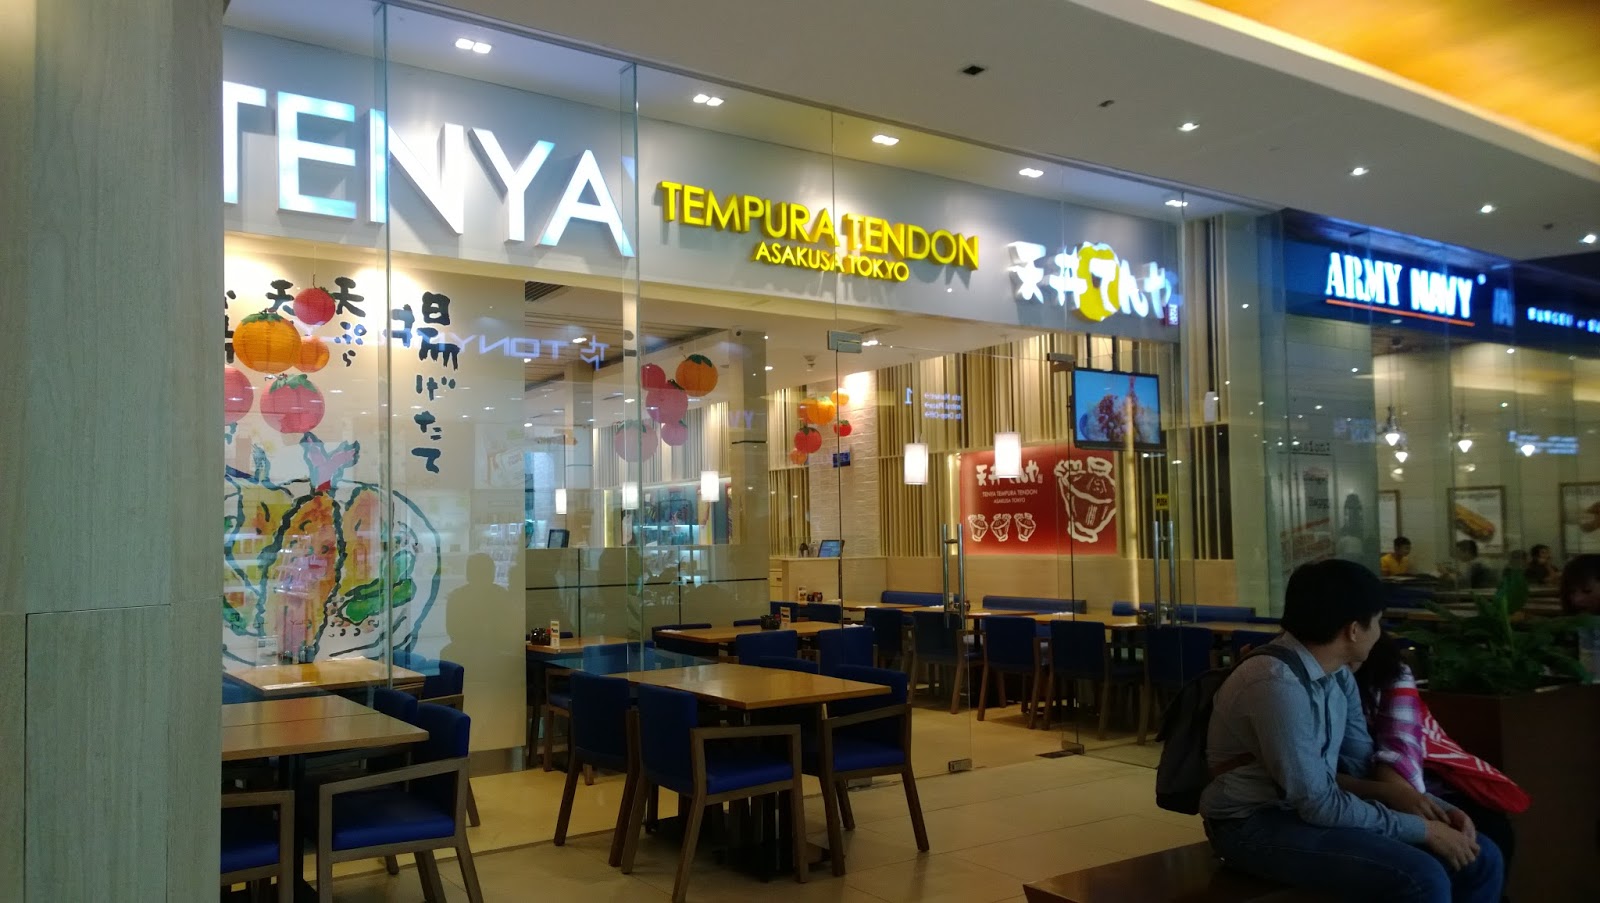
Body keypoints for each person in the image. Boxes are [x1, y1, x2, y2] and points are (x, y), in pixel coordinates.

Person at [1201, 559, 1503, 902]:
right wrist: (1422, 829)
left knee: (1482, 857)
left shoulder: (1337, 675)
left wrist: (1434, 809)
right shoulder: (1274, 683)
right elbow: (1318, 804)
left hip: (1303, 809)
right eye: (1377, 622)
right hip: (1250, 823)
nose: (1380, 633)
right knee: (1421, 878)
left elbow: (1359, 766)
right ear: (1354, 630)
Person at [1352, 635, 1524, 874]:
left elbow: (1400, 754)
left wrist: (1424, 810)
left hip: (1407, 779)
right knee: (1436, 868)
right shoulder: (1317, 679)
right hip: (1355, 792)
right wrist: (1422, 824)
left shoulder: (1387, 668)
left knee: (1491, 830)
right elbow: (1317, 788)